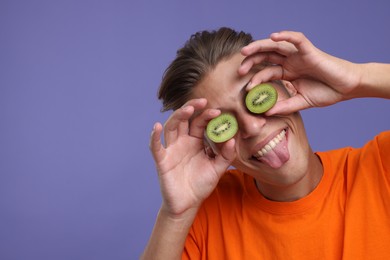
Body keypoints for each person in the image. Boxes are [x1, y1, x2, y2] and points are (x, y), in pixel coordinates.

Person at [141, 27, 390, 259]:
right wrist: (175, 216)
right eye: (223, 123)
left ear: (288, 85)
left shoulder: (380, 167)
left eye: (254, 96)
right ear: (210, 147)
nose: (252, 127)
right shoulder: (203, 216)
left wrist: (356, 78)